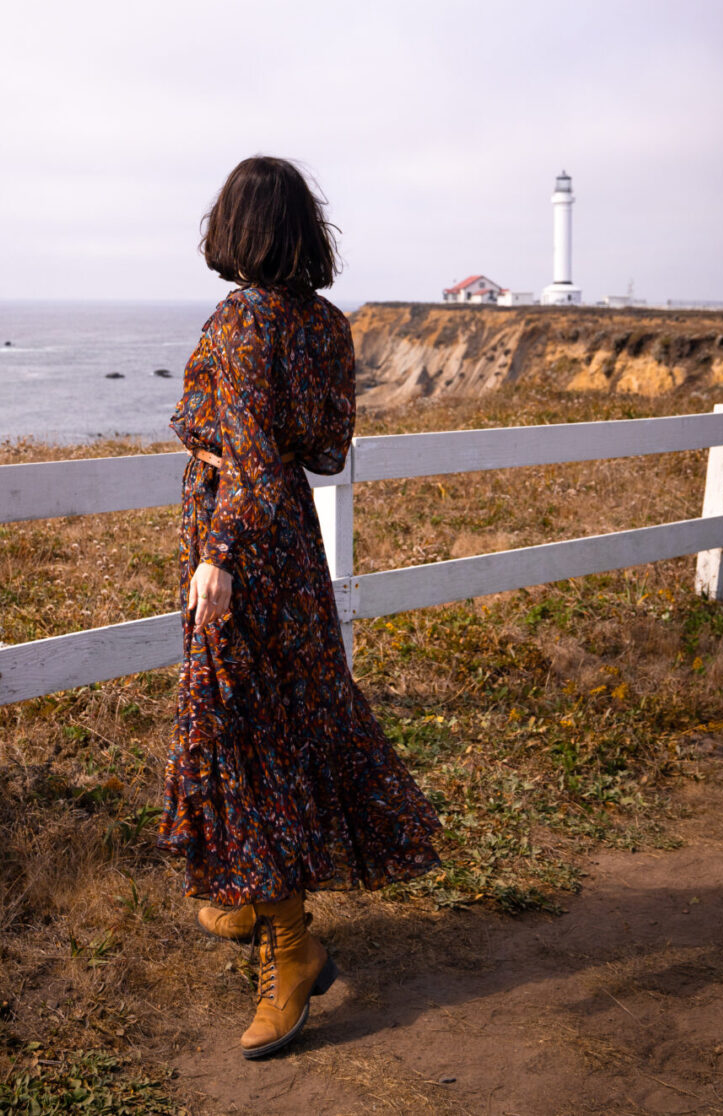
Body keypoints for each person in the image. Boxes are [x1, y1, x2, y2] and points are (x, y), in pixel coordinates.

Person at [157, 156, 441, 1059]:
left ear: (234, 229)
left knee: (244, 742)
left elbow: (246, 459)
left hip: (243, 560)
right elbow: (321, 453)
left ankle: (291, 949)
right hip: (297, 558)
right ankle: (253, 899)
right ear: (303, 229)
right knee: (284, 729)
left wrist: (220, 554)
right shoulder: (326, 325)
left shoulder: (240, 323)